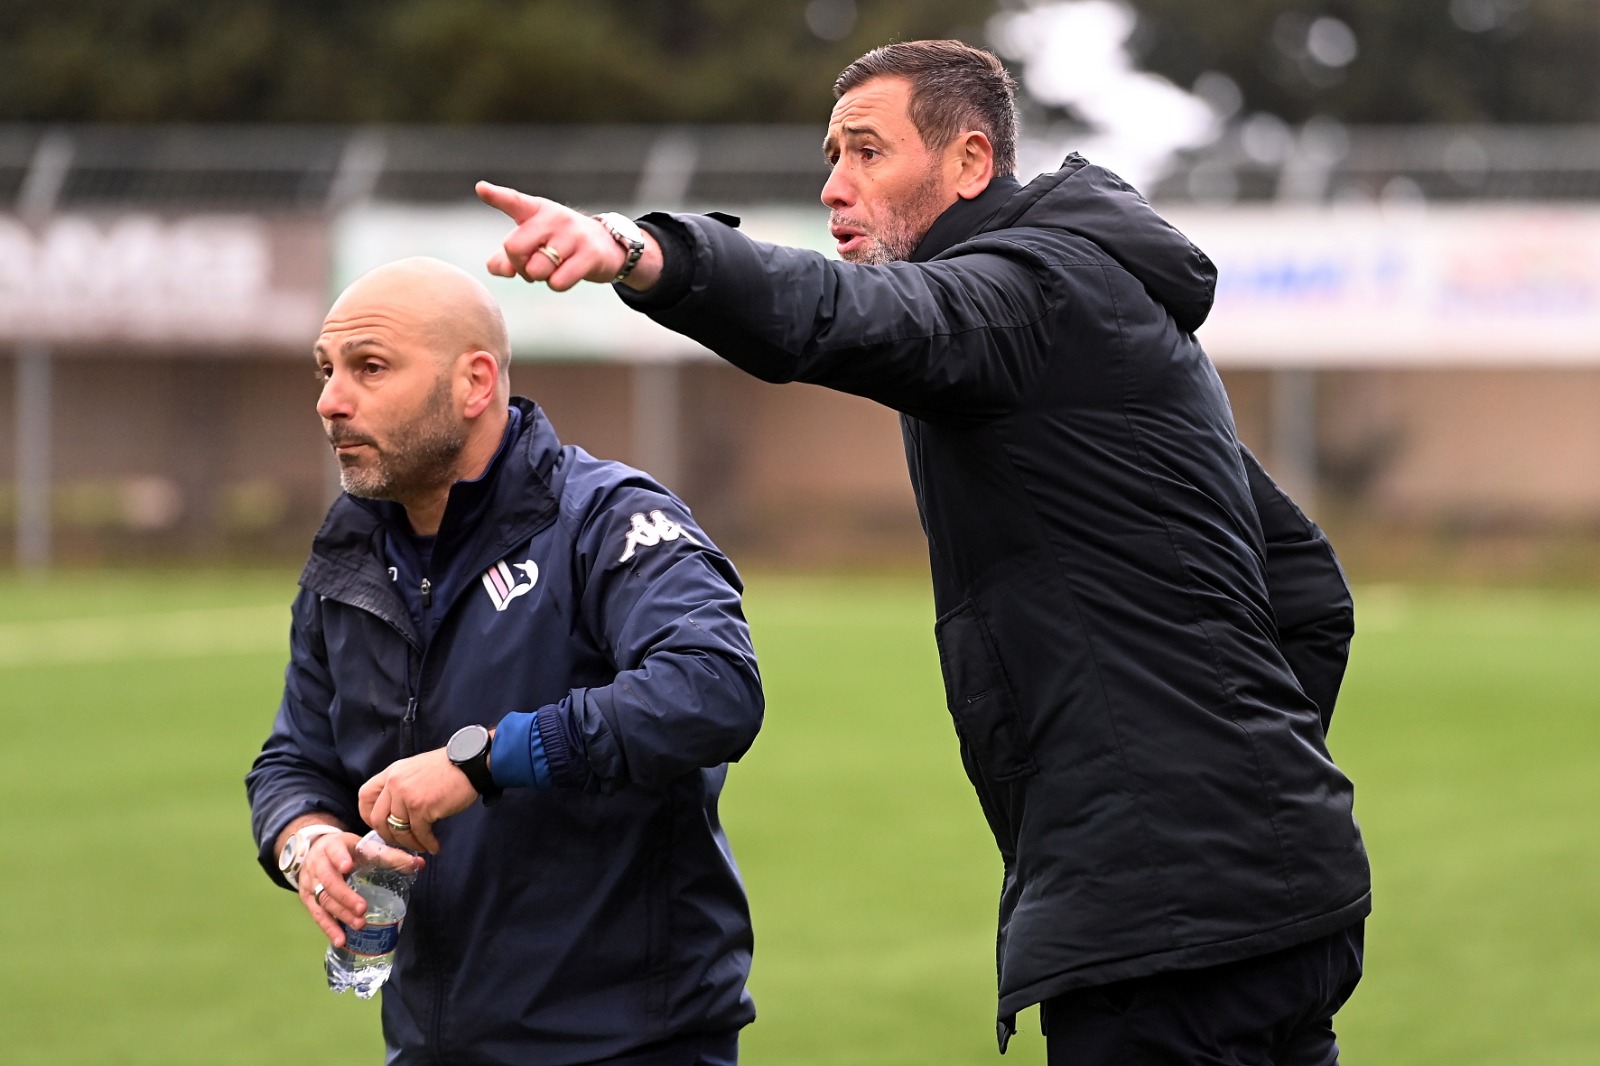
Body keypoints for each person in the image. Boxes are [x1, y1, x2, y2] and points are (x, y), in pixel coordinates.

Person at [473, 39, 1370, 1065]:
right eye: (831, 155)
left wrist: (646, 251)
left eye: (866, 153)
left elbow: (855, 317)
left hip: (1172, 927)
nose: (833, 186)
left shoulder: (1028, 295)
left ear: (969, 164)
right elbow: (1306, 587)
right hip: (1276, 888)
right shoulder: (1098, 313)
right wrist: (1246, 793)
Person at [245, 257, 763, 1066]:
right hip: (431, 1048)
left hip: (629, 1045)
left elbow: (711, 687)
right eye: (326, 370)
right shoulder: (348, 553)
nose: (330, 401)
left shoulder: (605, 518)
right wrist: (307, 844)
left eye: (369, 368)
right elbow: (293, 760)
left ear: (474, 383)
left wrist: (485, 761)